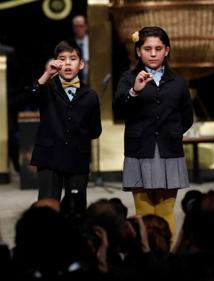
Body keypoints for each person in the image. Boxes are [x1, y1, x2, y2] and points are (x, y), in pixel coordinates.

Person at [113, 26, 193, 236]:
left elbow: (187, 118)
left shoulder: (179, 82)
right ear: (139, 51)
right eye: (148, 48)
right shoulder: (128, 79)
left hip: (169, 151)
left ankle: (166, 261)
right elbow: (119, 110)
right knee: (144, 211)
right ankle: (145, 257)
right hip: (139, 151)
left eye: (158, 48)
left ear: (166, 50)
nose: (153, 53)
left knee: (166, 211)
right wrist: (134, 91)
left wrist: (171, 133)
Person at [27, 38, 102, 209]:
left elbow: (95, 131)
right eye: (62, 59)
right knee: (47, 207)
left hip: (77, 157)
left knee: (76, 209)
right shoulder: (46, 87)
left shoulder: (90, 95)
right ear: (55, 62)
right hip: (49, 156)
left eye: (73, 59)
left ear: (81, 64)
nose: (67, 63)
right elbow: (29, 96)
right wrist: (47, 74)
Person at [72, 14, 89, 84]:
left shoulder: (94, 42)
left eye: (81, 26)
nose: (79, 29)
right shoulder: (69, 44)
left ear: (86, 26)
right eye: (76, 26)